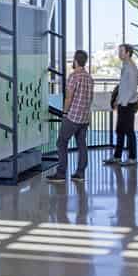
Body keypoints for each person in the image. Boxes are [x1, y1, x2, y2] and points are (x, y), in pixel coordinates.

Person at [47, 50, 94, 183]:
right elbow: (90, 98)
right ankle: (80, 173)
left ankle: (61, 173)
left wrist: (65, 112)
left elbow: (69, 97)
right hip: (84, 117)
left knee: (61, 142)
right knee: (81, 144)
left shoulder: (74, 76)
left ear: (75, 61)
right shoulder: (89, 78)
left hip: (73, 117)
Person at [106, 42, 138, 167]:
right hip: (123, 103)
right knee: (120, 130)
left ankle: (132, 158)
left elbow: (132, 89)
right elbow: (123, 87)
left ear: (128, 53)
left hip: (128, 105)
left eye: (121, 51)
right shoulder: (125, 66)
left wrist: (123, 103)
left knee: (129, 132)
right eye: (119, 51)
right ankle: (117, 156)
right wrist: (117, 100)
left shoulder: (131, 68)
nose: (119, 54)